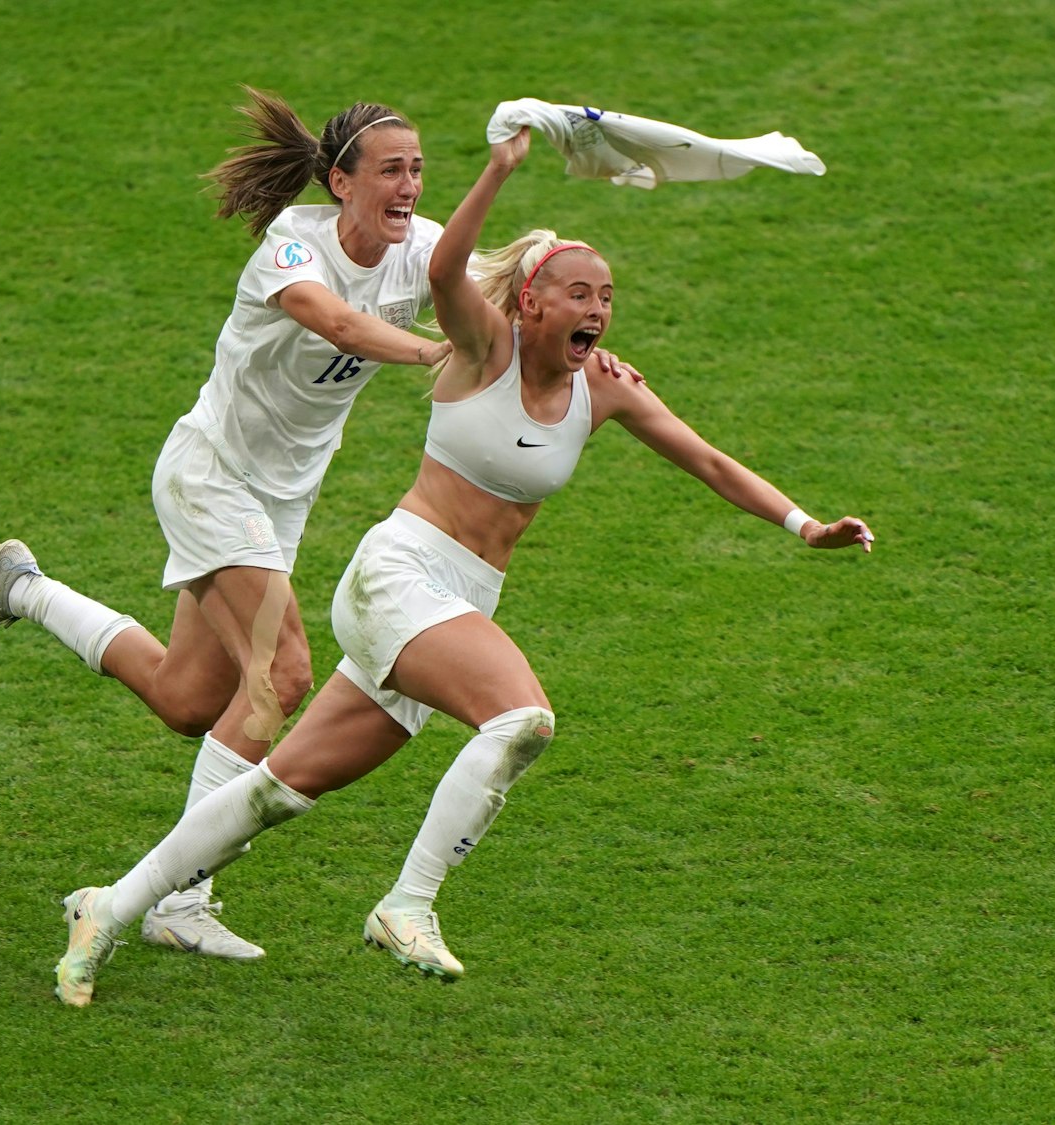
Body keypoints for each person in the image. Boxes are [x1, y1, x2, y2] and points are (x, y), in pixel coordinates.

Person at [50, 125, 874, 1006]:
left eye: (607, 297)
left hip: (453, 591)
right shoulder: (481, 345)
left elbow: (708, 460)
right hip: (392, 573)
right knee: (520, 719)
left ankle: (115, 902)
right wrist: (500, 167)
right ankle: (407, 904)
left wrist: (803, 524)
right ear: (529, 303)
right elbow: (442, 277)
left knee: (278, 787)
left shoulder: (607, 387)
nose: (597, 310)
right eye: (576, 293)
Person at [0, 89, 455, 962]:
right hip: (212, 478)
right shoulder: (290, 245)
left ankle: (23, 590)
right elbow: (335, 320)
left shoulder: (425, 250)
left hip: (281, 500)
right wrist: (432, 350)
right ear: (340, 182)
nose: (409, 185)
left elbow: (493, 306)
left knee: (191, 700)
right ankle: (178, 897)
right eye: (390, 170)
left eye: (416, 168)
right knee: (281, 677)